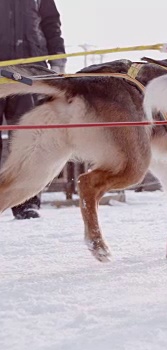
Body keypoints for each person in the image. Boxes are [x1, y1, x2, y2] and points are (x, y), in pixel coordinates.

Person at [0, 0, 67, 219]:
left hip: (29, 72)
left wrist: (57, 59)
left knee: (27, 140)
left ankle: (25, 202)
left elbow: (50, 21)